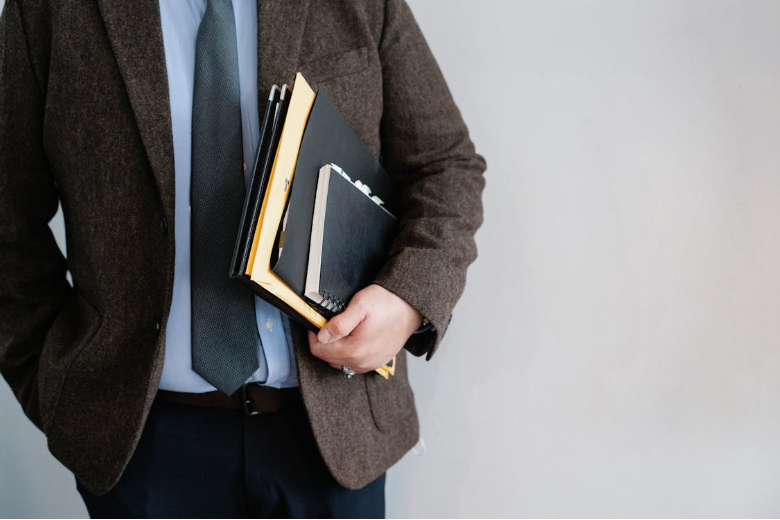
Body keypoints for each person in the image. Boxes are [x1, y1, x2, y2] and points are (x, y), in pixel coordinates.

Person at [0, 0, 486, 517]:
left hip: (333, 435)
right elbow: (8, 216)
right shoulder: (48, 10)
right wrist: (58, 391)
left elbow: (444, 165)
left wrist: (409, 298)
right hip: (142, 448)